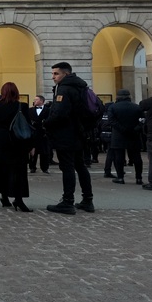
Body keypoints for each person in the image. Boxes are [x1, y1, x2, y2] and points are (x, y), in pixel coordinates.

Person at [44, 62, 95, 214]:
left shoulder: (64, 89)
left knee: (67, 167)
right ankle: (88, 200)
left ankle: (67, 201)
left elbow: (60, 113)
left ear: (65, 74)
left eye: (56, 74)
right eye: (53, 73)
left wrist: (46, 123)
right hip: (79, 133)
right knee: (80, 166)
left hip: (66, 134)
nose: (53, 77)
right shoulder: (80, 86)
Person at [0, 82, 31, 211]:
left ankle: (4, 197)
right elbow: (27, 125)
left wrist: (0, 132)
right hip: (18, 141)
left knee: (2, 169)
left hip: (2, 140)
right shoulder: (22, 106)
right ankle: (19, 199)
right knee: (19, 171)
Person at [105, 89, 144, 185]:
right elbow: (142, 120)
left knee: (119, 157)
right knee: (136, 157)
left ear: (117, 97)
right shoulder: (137, 107)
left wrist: (122, 129)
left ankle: (120, 177)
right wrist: (135, 129)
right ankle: (139, 178)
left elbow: (112, 121)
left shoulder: (113, 107)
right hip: (134, 134)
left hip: (118, 134)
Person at [26, 96, 51, 174]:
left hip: (44, 134)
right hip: (33, 133)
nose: (35, 101)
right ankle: (32, 167)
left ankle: (45, 167)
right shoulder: (30, 110)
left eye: (36, 99)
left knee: (44, 152)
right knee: (33, 151)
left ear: (42, 101)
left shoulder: (48, 110)